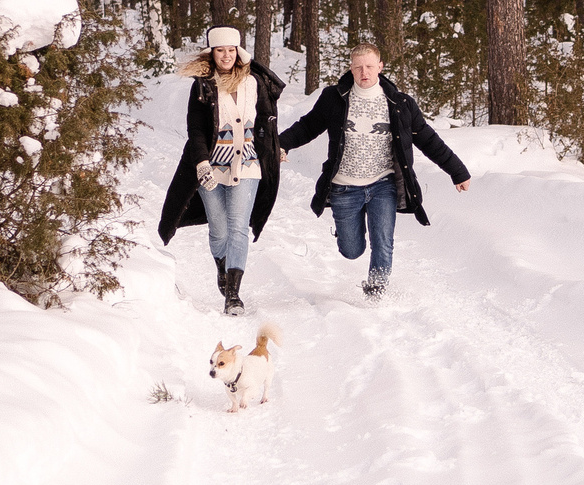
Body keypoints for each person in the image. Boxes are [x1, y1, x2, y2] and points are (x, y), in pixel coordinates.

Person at [276, 41, 469, 299]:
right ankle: (347, 234)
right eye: (358, 67)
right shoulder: (334, 98)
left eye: (369, 66)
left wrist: (457, 171)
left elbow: (428, 139)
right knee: (351, 250)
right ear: (351, 69)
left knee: (383, 241)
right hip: (344, 186)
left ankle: (376, 292)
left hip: (383, 184)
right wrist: (281, 145)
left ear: (380, 66)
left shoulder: (400, 103)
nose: (364, 72)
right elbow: (307, 126)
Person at [156, 27, 284, 315]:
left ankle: (233, 295)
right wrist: (202, 163)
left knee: (238, 227)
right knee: (219, 229)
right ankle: (222, 266)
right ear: (212, 53)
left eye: (231, 50)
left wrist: (275, 149)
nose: (226, 55)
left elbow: (266, 122)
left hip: (248, 164)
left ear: (238, 52)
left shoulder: (254, 83)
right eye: (220, 50)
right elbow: (196, 130)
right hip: (211, 167)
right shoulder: (203, 86)